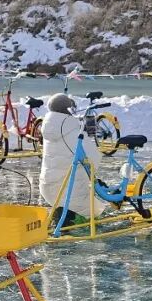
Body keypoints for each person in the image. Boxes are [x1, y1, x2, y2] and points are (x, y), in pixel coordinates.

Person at [39, 93, 105, 227]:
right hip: (70, 187)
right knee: (86, 200)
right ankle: (68, 220)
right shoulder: (71, 128)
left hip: (48, 185)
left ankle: (62, 215)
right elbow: (92, 157)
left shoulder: (50, 127)